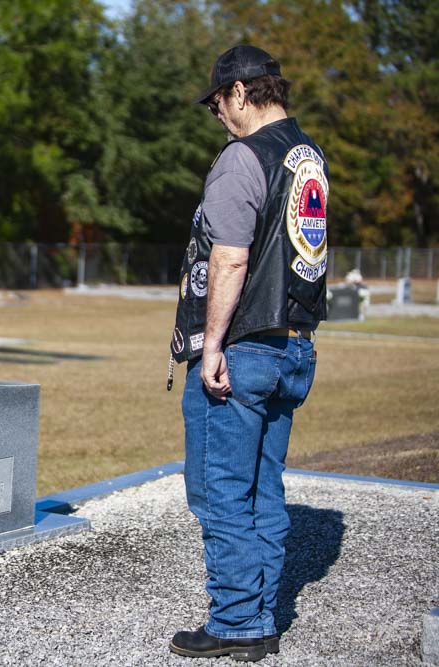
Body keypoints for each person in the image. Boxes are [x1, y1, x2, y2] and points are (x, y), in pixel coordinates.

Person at [167, 45, 328, 662]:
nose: (218, 117)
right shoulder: (308, 155)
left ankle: (236, 621)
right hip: (295, 346)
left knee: (220, 490)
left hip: (245, 348)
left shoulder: (244, 156)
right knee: (263, 487)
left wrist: (212, 345)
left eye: (217, 105)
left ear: (239, 92)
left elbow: (230, 257)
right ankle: (259, 617)